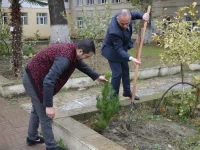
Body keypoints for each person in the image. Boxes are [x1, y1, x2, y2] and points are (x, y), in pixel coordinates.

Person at [23, 39, 107, 150]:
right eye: (87, 56)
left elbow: (80, 64)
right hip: (33, 80)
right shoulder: (65, 58)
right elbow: (49, 81)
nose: (86, 59)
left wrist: (96, 76)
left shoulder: (73, 51)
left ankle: (32, 137)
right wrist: (49, 106)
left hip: (34, 77)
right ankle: (51, 147)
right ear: (80, 51)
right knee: (45, 115)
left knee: (36, 109)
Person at [101, 9, 149, 100]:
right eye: (122, 24)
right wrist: (131, 58)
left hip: (121, 49)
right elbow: (118, 49)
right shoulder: (114, 30)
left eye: (127, 23)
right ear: (118, 19)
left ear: (129, 18)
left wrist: (143, 16)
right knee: (117, 73)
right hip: (112, 51)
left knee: (125, 70)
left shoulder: (127, 16)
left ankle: (127, 92)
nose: (125, 26)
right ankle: (113, 98)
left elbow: (135, 14)